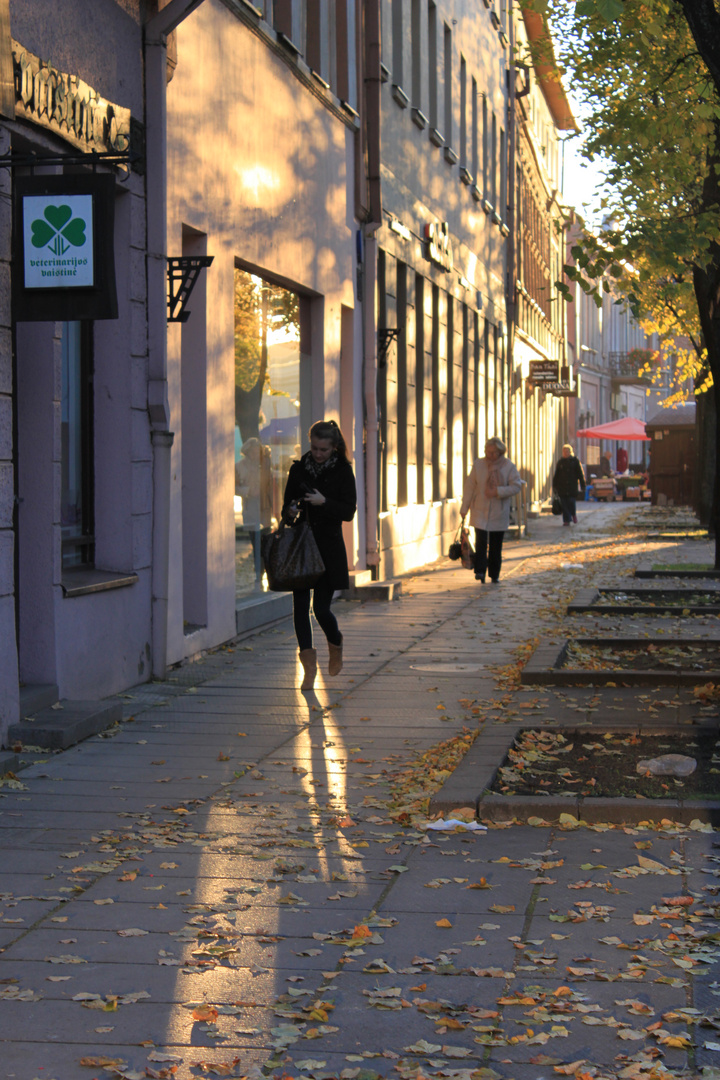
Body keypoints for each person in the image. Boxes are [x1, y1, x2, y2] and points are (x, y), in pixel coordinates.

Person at [282, 420, 357, 690]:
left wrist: (323, 502)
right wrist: (290, 511)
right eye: (314, 447)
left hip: (327, 549)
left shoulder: (343, 472)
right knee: (300, 609)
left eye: (323, 449)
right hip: (302, 549)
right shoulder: (299, 469)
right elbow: (286, 507)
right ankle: (309, 668)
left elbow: (348, 511)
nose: (318, 453)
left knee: (321, 609)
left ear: (333, 447)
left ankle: (335, 643)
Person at [460, 437, 524, 584]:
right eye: (487, 452)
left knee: (496, 545)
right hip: (479, 509)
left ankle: (494, 573)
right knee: (480, 542)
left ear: (500, 452)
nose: (490, 455)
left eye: (493, 453)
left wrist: (498, 491)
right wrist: (465, 507)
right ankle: (480, 571)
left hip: (498, 511)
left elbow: (516, 486)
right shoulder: (479, 464)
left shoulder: (508, 466)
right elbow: (470, 486)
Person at [552, 443, 586, 526]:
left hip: (572, 486)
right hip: (562, 486)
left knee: (571, 502)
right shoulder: (560, 462)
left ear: (570, 452)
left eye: (567, 451)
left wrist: (582, 484)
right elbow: (557, 474)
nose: (566, 453)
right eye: (564, 451)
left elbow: (580, 473)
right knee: (564, 504)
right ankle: (566, 520)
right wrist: (554, 485)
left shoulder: (575, 461)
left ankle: (573, 514)